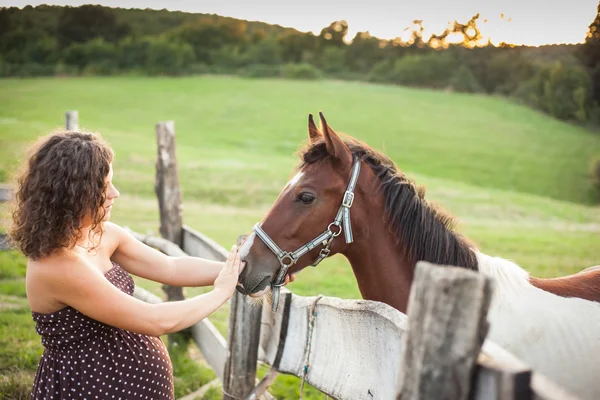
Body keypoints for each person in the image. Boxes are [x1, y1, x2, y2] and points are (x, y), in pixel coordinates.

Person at [8, 131, 293, 399]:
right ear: (72, 194)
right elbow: (155, 320)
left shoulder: (101, 235)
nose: (115, 194)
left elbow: (171, 267)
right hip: (91, 388)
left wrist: (244, 270)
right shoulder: (58, 266)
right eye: (103, 187)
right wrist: (220, 292)